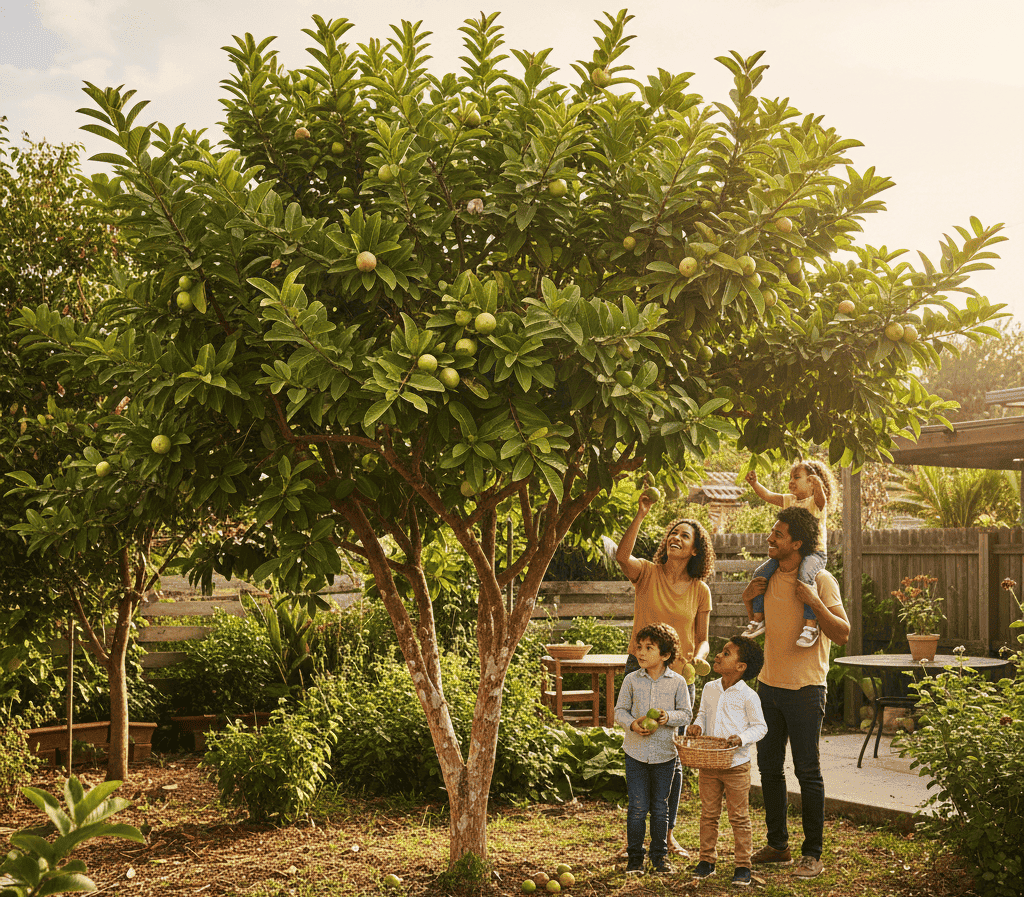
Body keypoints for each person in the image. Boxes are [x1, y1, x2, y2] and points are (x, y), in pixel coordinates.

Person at [744, 507, 850, 881]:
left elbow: (842, 634)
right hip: (768, 688)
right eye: (772, 532)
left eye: (778, 534)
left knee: (807, 772)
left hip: (806, 690)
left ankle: (812, 854)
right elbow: (759, 624)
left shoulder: (821, 580)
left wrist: (815, 602)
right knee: (769, 769)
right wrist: (748, 598)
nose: (770, 538)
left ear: (797, 543)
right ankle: (778, 845)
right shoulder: (767, 576)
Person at [616, 494, 715, 857]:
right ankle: (634, 839)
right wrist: (641, 512)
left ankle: (667, 834)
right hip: (640, 668)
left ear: (695, 550)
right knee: (638, 745)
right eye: (673, 532)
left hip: (679, 676)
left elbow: (703, 639)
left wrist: (699, 658)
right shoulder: (647, 573)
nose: (676, 537)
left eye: (684, 535)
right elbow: (621, 557)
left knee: (672, 754)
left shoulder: (700, 590)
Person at [685, 635, 767, 888]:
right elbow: (702, 714)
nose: (718, 655)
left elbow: (760, 727)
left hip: (736, 766)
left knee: (739, 816)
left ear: (740, 667)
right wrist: (697, 726)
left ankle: (743, 865)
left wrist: (741, 739)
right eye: (721, 651)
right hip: (709, 763)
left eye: (726, 653)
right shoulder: (710, 688)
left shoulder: (748, 696)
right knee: (708, 814)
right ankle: (706, 860)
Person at [614, 622, 693, 876]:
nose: (641, 652)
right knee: (637, 807)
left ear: (665, 654)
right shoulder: (631, 680)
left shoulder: (678, 682)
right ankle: (635, 858)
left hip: (665, 755)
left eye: (649, 648)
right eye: (639, 647)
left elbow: (686, 714)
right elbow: (619, 711)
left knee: (660, 807)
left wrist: (667, 717)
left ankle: (659, 857)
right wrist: (633, 724)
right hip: (635, 753)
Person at [741, 460, 837, 647]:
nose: (791, 481)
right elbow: (768, 496)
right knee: (760, 574)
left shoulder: (815, 502)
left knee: (805, 576)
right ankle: (758, 619)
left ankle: (810, 626)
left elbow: (822, 500)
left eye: (797, 477)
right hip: (790, 553)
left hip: (813, 553)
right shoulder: (789, 500)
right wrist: (754, 484)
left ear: (811, 481)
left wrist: (818, 485)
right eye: (790, 478)